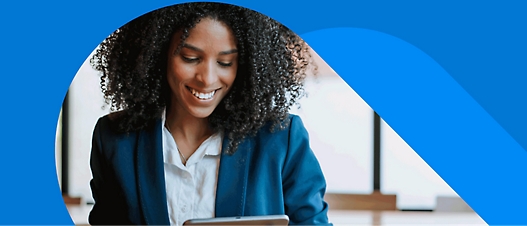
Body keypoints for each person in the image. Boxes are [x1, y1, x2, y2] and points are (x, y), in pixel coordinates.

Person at [88, 2, 331, 225]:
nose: (207, 79)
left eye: (225, 63)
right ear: (157, 52)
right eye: (190, 58)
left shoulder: (281, 138)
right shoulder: (114, 139)